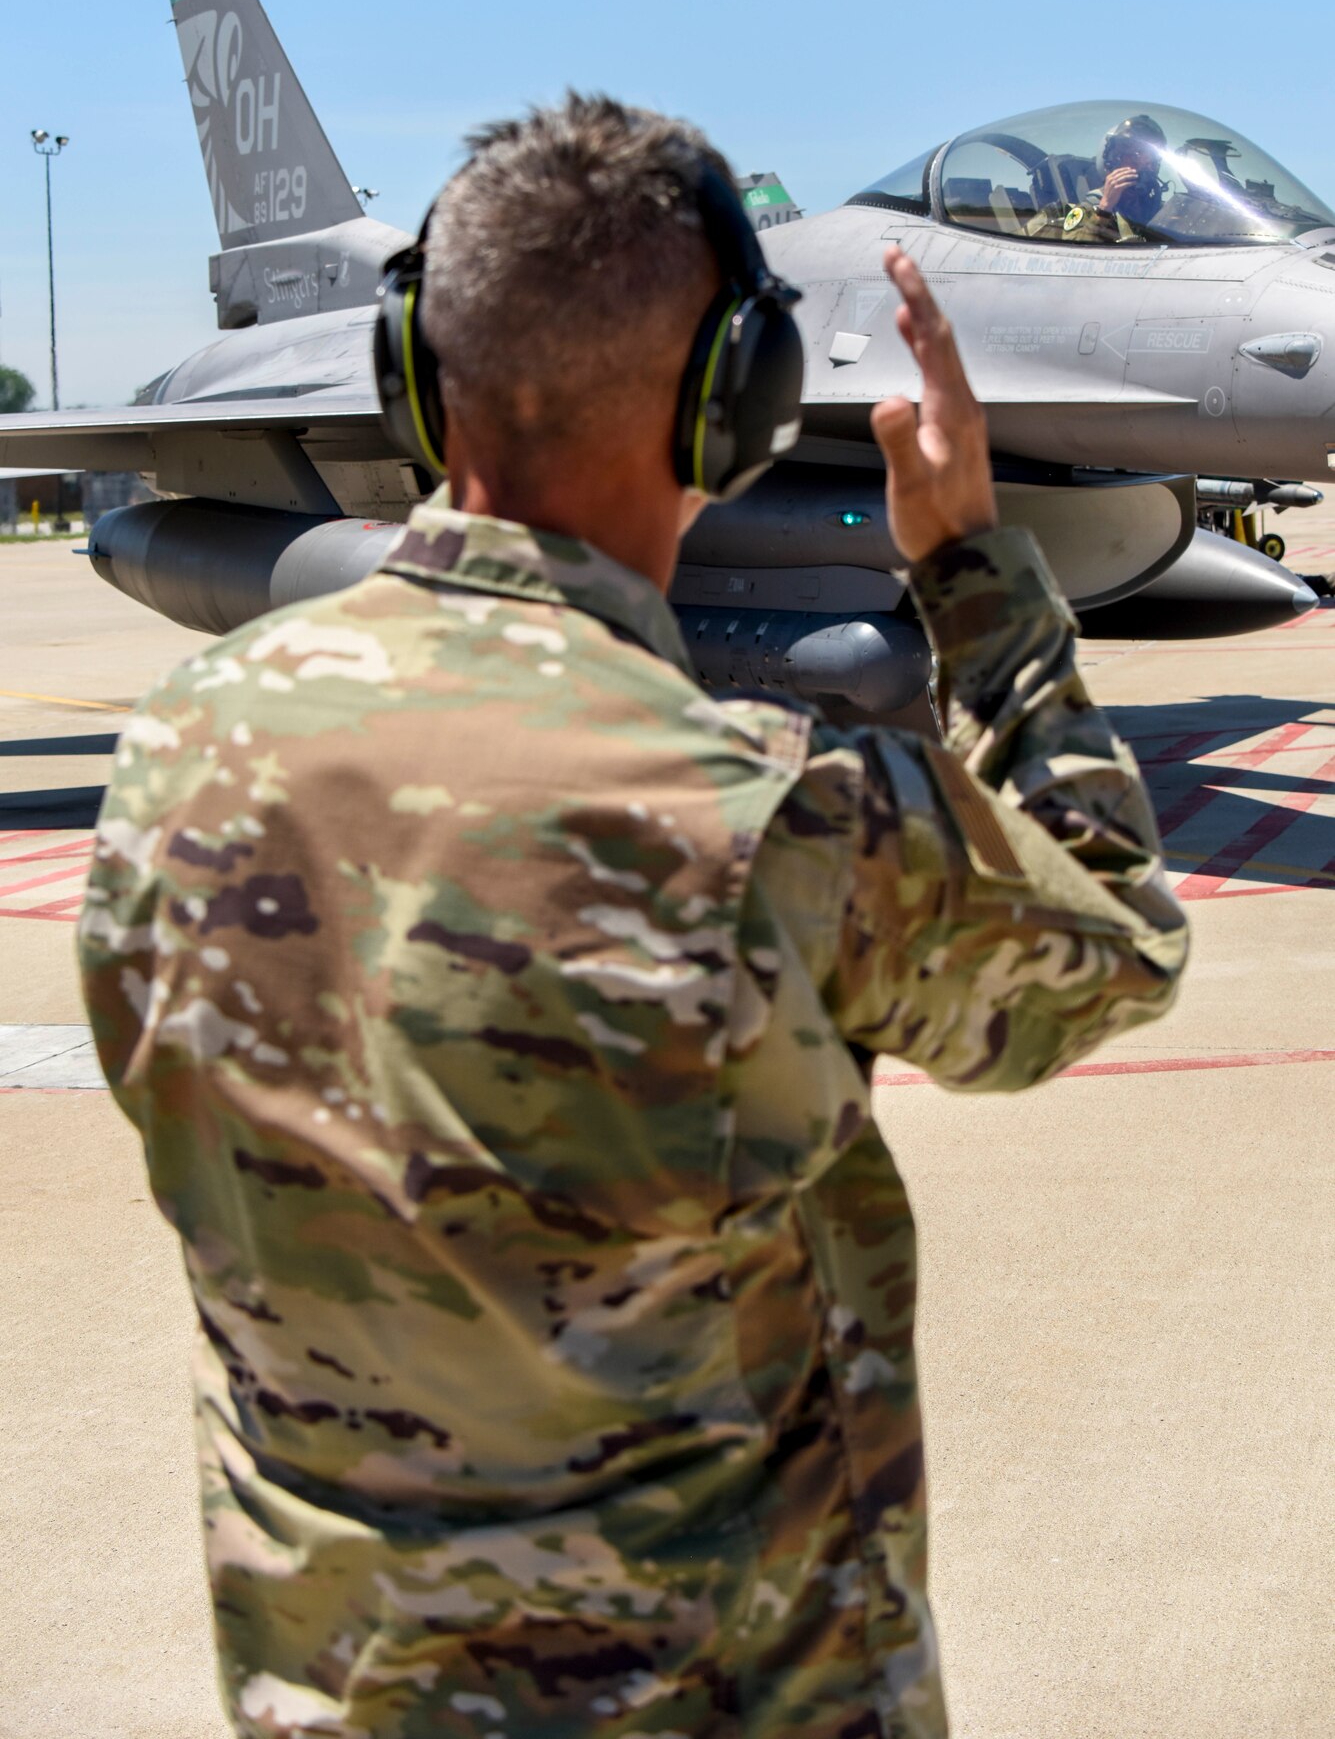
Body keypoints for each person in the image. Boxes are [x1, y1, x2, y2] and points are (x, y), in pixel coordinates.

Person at [78, 95, 1188, 1739]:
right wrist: (977, 581)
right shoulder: (783, 815)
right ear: (739, 403)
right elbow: (1115, 951)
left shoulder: (179, 762)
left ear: (411, 371)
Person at [1055, 112, 1169, 242]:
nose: (1140, 165)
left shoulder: (1158, 211)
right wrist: (1104, 209)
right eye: (1131, 155)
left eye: (1148, 158)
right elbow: (1073, 252)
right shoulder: (1089, 209)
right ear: (1112, 159)